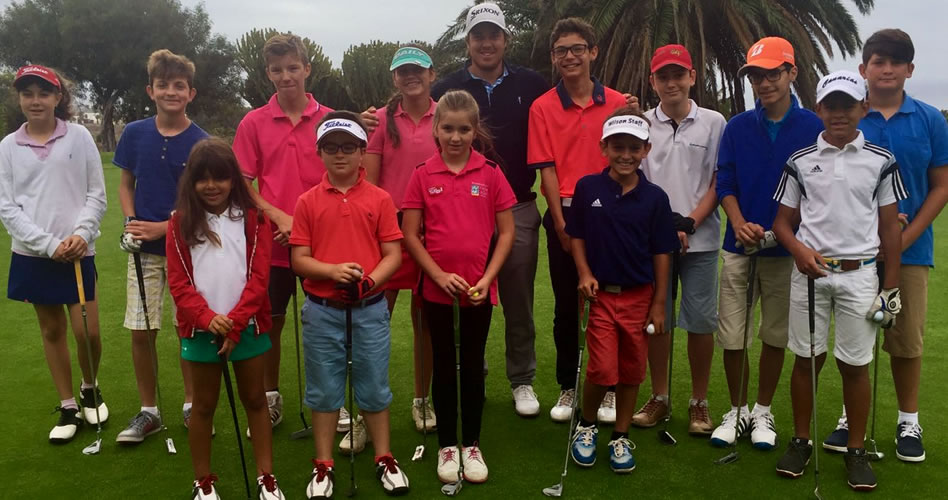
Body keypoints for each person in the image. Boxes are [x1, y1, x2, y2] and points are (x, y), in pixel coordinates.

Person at [772, 71, 906, 491]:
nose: (839, 114)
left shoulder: (881, 160)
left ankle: (856, 450)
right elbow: (782, 224)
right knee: (806, 359)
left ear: (863, 108)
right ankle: (800, 441)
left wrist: (891, 290)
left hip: (860, 275)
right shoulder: (799, 160)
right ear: (819, 110)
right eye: (831, 105)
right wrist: (798, 251)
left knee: (855, 365)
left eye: (848, 105)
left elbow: (890, 231)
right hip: (809, 275)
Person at [822, 29, 948, 464]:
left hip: (910, 252)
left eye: (897, 62)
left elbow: (940, 187)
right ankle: (848, 417)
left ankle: (907, 419)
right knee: (855, 340)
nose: (887, 68)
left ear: (910, 70)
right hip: (852, 253)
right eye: (878, 61)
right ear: (864, 69)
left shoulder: (930, 118)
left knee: (905, 339)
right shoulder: (850, 116)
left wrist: (903, 238)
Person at [712, 37, 824, 450]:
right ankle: (738, 410)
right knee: (733, 335)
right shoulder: (738, 126)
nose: (764, 83)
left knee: (775, 334)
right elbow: (725, 181)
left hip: (786, 251)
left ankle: (762, 410)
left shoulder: (814, 126)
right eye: (756, 76)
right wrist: (738, 222)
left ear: (792, 73)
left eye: (773, 73)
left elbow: (821, 189)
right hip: (739, 245)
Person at [291, 112, 410, 498]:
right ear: (320, 153)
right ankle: (323, 465)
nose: (339, 155)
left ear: (363, 152)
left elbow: (393, 253)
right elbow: (299, 259)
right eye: (330, 147)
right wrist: (332, 272)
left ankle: (384, 456)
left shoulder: (380, 198)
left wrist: (370, 281)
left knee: (374, 386)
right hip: (322, 310)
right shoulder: (307, 201)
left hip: (370, 307)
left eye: (348, 147)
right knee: (324, 391)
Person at [402, 90, 516, 484]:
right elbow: (411, 235)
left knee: (471, 365)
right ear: (436, 128)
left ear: (475, 129)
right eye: (448, 128)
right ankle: (447, 445)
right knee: (444, 370)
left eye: (464, 129)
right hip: (436, 291)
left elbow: (506, 233)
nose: (455, 136)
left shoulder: (490, 173)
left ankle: (471, 444)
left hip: (477, 291)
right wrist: (436, 274)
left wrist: (487, 278)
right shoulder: (422, 174)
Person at [166, 137, 285, 499]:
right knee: (202, 406)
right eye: (203, 178)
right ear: (192, 182)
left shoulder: (253, 219)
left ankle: (267, 477)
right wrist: (206, 319)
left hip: (246, 326)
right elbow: (179, 283)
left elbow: (259, 278)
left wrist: (233, 323)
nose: (212, 186)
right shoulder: (178, 223)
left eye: (220, 177)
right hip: (200, 330)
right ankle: (203, 481)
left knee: (255, 400)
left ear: (234, 179)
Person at [233, 33, 337, 435]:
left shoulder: (328, 120)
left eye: (293, 67)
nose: (286, 76)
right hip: (271, 243)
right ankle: (270, 398)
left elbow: (342, 175)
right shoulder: (253, 122)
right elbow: (242, 183)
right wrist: (277, 215)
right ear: (268, 74)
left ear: (307, 69)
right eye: (277, 70)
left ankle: (328, 401)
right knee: (270, 324)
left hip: (322, 242)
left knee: (325, 325)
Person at [0, 64, 108, 444]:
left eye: (43, 93)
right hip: (34, 255)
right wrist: (48, 244)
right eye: (27, 93)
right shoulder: (8, 147)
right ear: (20, 99)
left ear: (58, 97)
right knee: (52, 330)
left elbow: (96, 194)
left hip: (80, 251)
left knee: (88, 332)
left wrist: (80, 234)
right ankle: (67, 405)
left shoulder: (78, 137)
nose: (35, 100)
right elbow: (8, 207)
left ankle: (90, 385)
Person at [567, 109, 678, 474]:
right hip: (599, 295)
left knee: (631, 370)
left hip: (638, 295)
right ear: (604, 147)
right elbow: (577, 235)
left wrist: (659, 302)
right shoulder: (588, 188)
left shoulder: (655, 198)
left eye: (634, 147)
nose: (625, 154)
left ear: (646, 150)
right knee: (601, 369)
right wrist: (584, 274)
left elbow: (662, 251)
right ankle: (586, 425)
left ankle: (620, 433)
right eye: (618, 147)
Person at [528, 17, 628, 423]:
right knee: (568, 306)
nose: (569, 57)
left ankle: (606, 389)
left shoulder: (619, 102)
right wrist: (559, 223)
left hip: (612, 212)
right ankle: (570, 387)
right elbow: (547, 169)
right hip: (567, 211)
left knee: (611, 303)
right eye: (561, 51)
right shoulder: (542, 106)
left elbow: (628, 162)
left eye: (577, 48)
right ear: (553, 58)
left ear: (592, 52)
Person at [114, 49, 208, 443]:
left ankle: (192, 405)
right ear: (150, 90)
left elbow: (205, 201)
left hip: (188, 250)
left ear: (191, 92)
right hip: (144, 253)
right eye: (164, 85)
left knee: (188, 327)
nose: (172, 91)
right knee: (142, 330)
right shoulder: (135, 133)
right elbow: (125, 185)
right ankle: (148, 411)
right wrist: (131, 224)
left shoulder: (201, 141)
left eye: (179, 85)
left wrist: (162, 228)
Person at [633, 44, 726, 435]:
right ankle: (659, 396)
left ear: (692, 77)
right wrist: (666, 228)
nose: (671, 82)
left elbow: (720, 180)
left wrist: (688, 223)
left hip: (701, 240)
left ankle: (699, 402)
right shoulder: (640, 122)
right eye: (663, 76)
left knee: (701, 322)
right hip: (655, 242)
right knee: (658, 320)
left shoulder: (715, 122)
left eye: (678, 75)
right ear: (653, 81)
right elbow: (636, 179)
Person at [362, 45, 439, 434]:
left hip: (432, 231)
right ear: (395, 78)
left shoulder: (445, 115)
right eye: (403, 71)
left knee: (424, 320)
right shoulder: (379, 120)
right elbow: (370, 183)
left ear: (432, 74)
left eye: (418, 70)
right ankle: (368, 404)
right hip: (388, 233)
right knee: (375, 321)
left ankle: (422, 399)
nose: (411, 77)